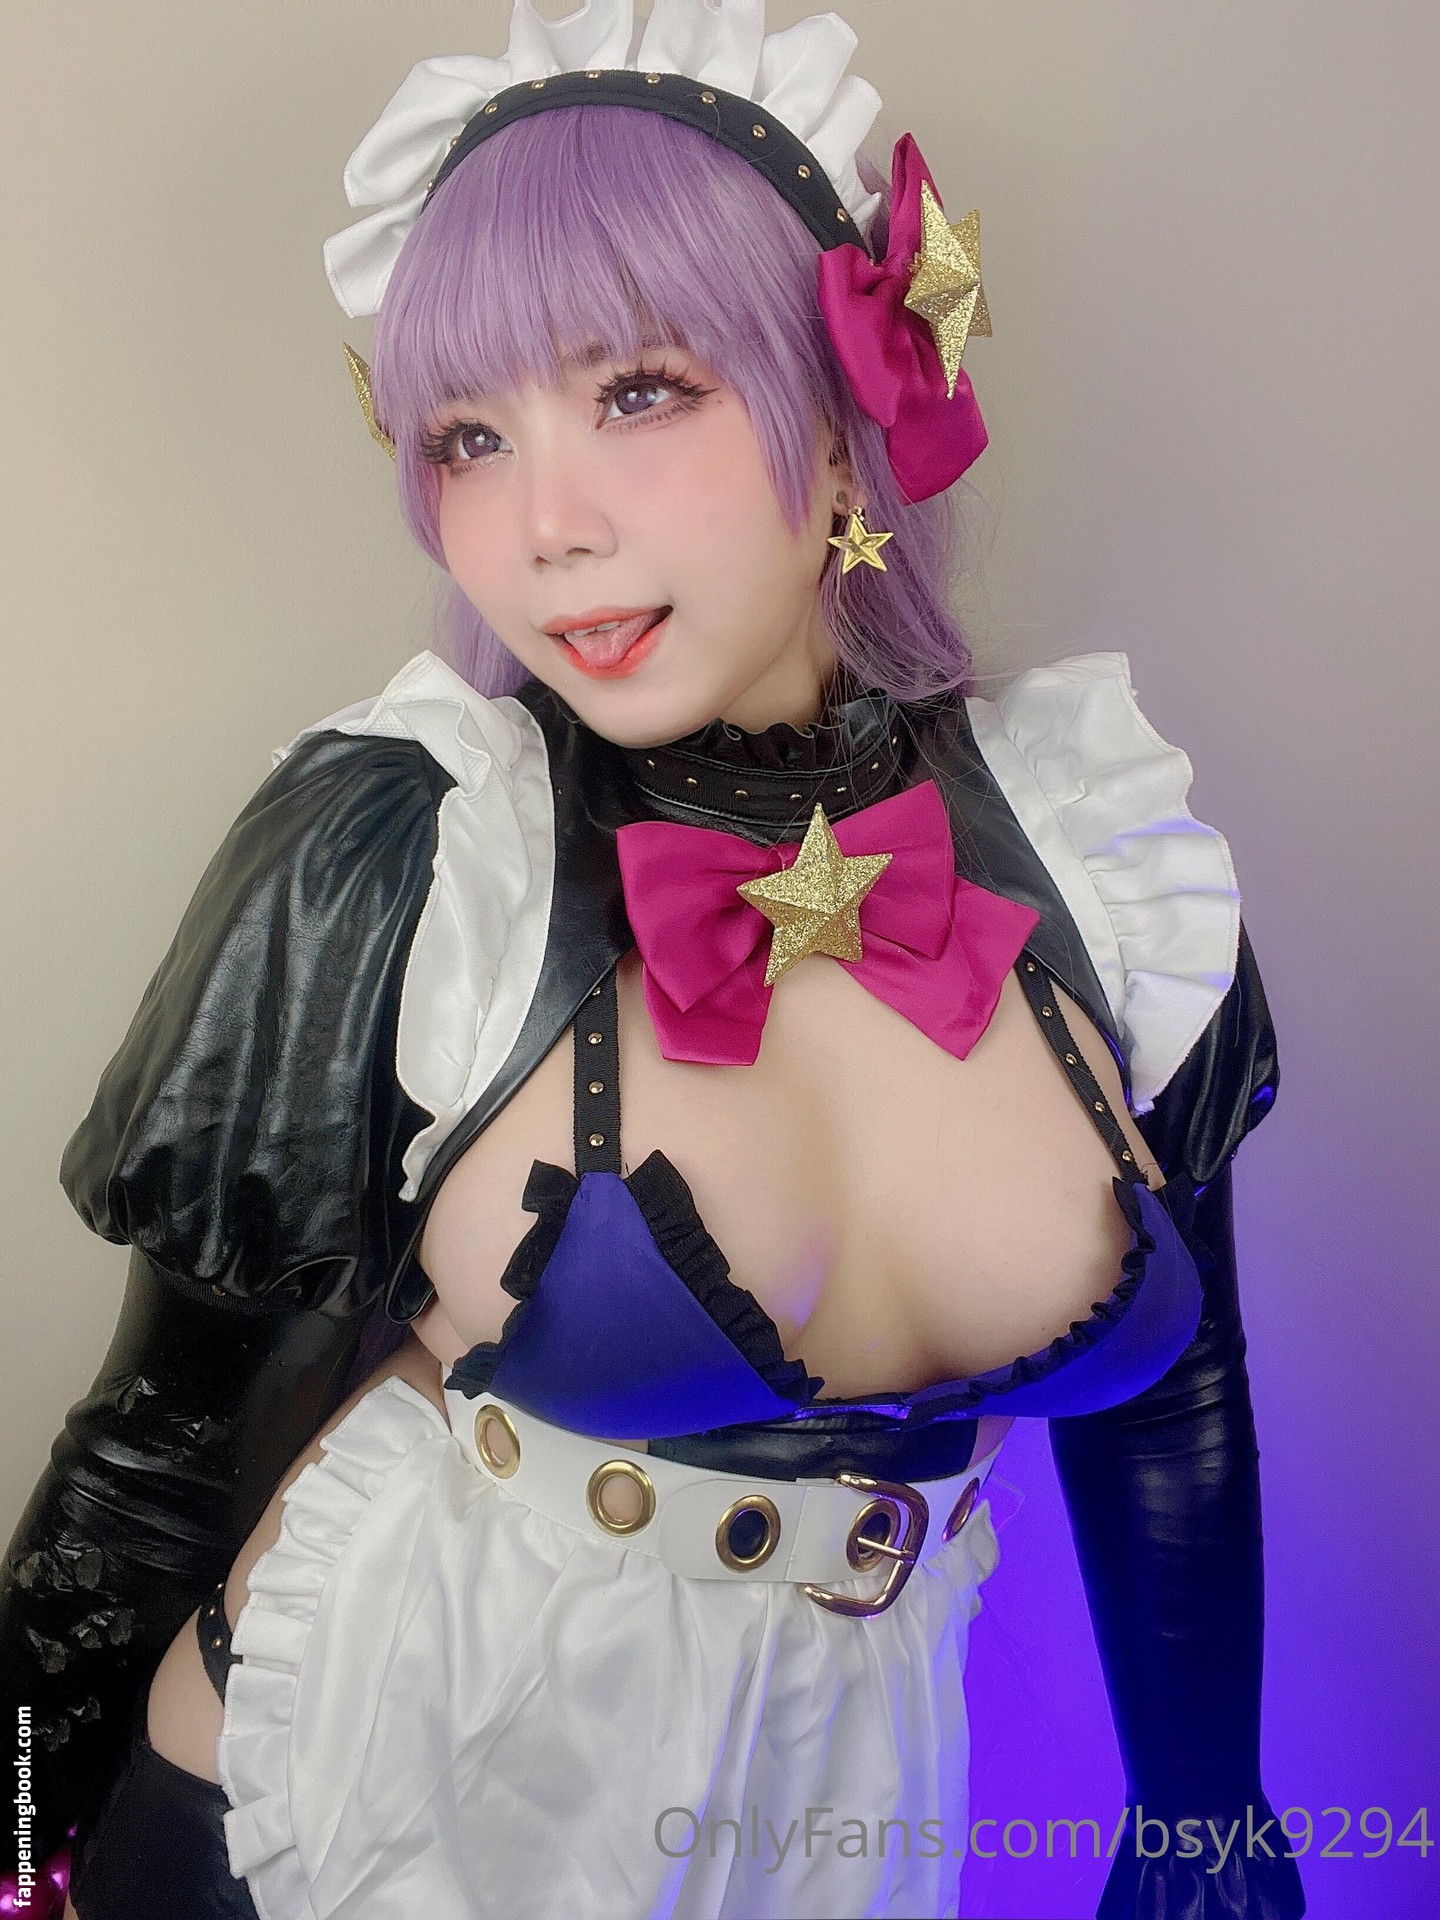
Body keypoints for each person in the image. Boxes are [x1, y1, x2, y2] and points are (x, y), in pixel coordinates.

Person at [0, 4, 1304, 1916]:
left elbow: (1182, 1395)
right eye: (469, 436)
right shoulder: (414, 841)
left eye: (638, 391)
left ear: (840, 396)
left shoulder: (1092, 835)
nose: (544, 529)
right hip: (341, 1813)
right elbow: (156, 1460)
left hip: (829, 1846)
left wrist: (1206, 1829)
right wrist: (13, 1844)